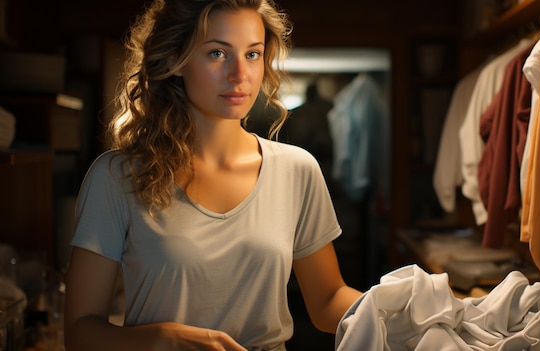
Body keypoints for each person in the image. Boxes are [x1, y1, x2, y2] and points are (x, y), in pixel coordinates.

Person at [62, 0, 363, 350]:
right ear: (176, 60)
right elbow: (80, 333)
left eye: (252, 54)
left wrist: (393, 313)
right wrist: (162, 339)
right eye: (218, 54)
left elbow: (327, 301)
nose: (240, 75)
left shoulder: (297, 169)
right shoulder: (116, 177)